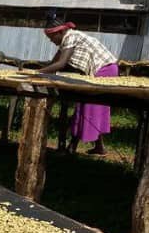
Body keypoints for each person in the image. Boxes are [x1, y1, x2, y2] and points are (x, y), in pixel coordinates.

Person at [38, 14, 115, 155]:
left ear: (60, 32)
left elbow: (61, 64)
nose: (51, 41)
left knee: (87, 108)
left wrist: (36, 73)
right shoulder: (66, 40)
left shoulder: (70, 37)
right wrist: (42, 70)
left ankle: (72, 147)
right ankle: (98, 147)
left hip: (105, 70)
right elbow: (53, 63)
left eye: (52, 38)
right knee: (89, 108)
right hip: (102, 69)